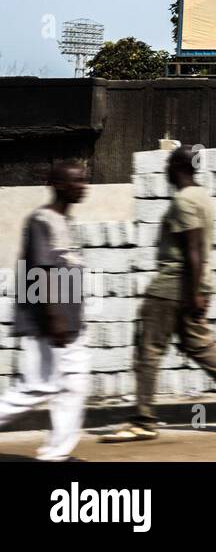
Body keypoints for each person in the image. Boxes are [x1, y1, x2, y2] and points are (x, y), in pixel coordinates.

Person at [100, 147, 216, 443]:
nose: (165, 169)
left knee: (147, 350)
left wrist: (194, 294)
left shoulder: (183, 200)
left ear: (178, 166)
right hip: (192, 285)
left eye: (168, 163)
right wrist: (201, 291)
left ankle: (143, 419)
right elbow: (201, 251)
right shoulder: (202, 196)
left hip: (171, 286)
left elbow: (193, 250)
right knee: (199, 345)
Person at [0, 163, 91, 462]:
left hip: (69, 325)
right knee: (38, 387)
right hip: (47, 323)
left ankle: (56, 454)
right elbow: (40, 270)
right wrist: (55, 316)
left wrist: (72, 317)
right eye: (76, 181)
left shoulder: (65, 222)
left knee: (74, 387)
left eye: (84, 180)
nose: (83, 185)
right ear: (58, 185)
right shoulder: (41, 220)